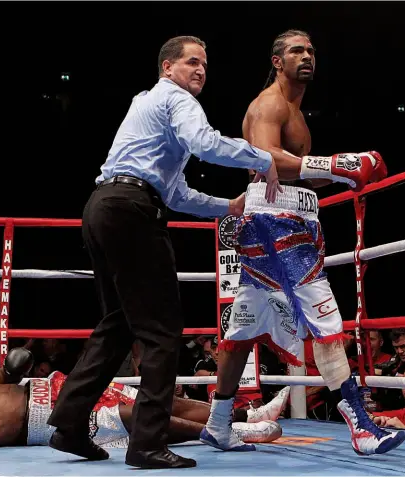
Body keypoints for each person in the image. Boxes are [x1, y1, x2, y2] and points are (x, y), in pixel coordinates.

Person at [46, 35, 281, 469]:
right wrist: (263, 158)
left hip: (103, 207)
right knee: (161, 331)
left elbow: (174, 193)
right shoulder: (177, 99)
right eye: (192, 62)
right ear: (167, 67)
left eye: (205, 66)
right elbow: (206, 143)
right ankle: (146, 444)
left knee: (118, 324)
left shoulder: (148, 104)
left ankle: (70, 425)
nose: (201, 71)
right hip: (131, 213)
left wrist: (226, 208)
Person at [200, 29, 405, 456]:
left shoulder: (294, 110)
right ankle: (362, 428)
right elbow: (265, 156)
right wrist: (335, 164)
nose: (307, 56)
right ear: (277, 61)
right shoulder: (268, 104)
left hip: (282, 217)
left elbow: (299, 171)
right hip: (278, 224)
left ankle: (219, 425)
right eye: (297, 50)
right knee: (325, 319)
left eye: (311, 50)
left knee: (244, 329)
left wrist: (345, 171)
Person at [0, 345, 283, 457]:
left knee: (155, 400)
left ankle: (244, 411)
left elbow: (6, 376)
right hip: (47, 423)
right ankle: (231, 431)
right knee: (136, 416)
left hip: (60, 391)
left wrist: (12, 368)